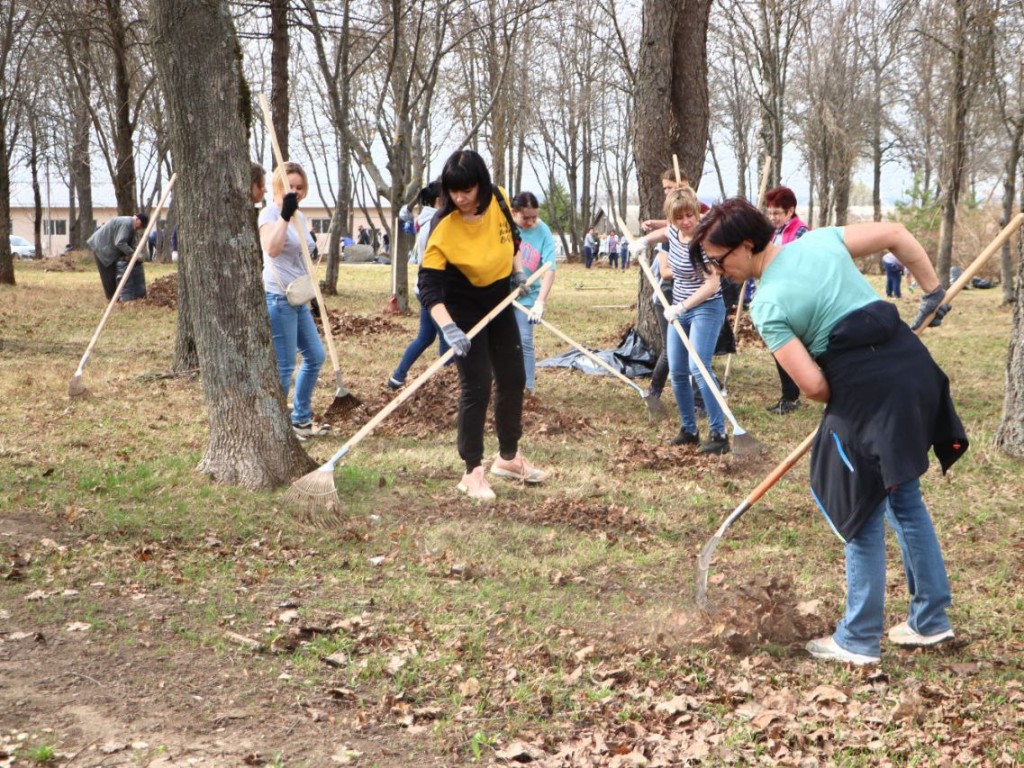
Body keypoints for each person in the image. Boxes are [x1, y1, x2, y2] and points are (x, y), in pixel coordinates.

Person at [692, 197, 967, 665]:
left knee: (857, 504)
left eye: (718, 261)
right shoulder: (819, 239)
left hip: (870, 393)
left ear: (744, 245)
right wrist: (932, 291)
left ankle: (858, 639)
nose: (718, 272)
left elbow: (815, 387)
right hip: (913, 371)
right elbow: (898, 233)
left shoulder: (769, 305)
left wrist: (855, 388)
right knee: (903, 498)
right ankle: (930, 620)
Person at [418, 149, 547, 501]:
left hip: (499, 300)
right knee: (477, 385)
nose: (460, 198)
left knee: (513, 377)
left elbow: (513, 240)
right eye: (453, 190)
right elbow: (428, 286)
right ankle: (471, 471)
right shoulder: (442, 226)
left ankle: (508, 458)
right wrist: (448, 327)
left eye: (468, 190)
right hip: (462, 306)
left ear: (482, 185)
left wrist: (517, 272)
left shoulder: (500, 200)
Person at [259, 161, 329, 442]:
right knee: (285, 365)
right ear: (278, 186)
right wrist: (285, 216)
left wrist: (312, 294)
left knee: (315, 356)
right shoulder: (269, 214)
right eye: (291, 187)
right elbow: (272, 249)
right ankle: (275, 426)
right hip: (278, 297)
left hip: (298, 296)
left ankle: (299, 418)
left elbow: (303, 255)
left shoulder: (299, 215)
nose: (297, 192)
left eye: (300, 187)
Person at [660, 186, 729, 454]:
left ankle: (719, 433)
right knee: (677, 371)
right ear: (672, 219)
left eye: (690, 215)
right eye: (680, 217)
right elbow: (662, 232)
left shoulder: (705, 240)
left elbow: (712, 285)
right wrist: (642, 243)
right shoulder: (673, 233)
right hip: (680, 308)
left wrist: (683, 306)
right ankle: (689, 429)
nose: (686, 221)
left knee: (699, 366)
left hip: (706, 308)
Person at [387, 181, 450, 390]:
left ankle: (397, 377)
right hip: (434, 290)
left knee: (426, 336)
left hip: (423, 288)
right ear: (440, 201)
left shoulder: (425, 220)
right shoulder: (437, 222)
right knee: (447, 339)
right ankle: (450, 382)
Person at [763, 185, 810, 415]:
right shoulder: (772, 232)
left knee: (798, 347)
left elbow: (799, 262)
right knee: (779, 345)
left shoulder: (801, 232)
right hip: (776, 295)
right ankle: (789, 396)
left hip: (796, 296)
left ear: (790, 210)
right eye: (769, 213)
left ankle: (798, 393)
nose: (772, 218)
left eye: (777, 213)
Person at [511, 191, 557, 395]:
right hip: (502, 294)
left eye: (534, 217)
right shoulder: (506, 228)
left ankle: (528, 389)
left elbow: (550, 267)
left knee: (525, 340)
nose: (530, 222)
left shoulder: (543, 230)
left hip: (528, 295)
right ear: (514, 213)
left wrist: (540, 302)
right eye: (525, 218)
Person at [87, 211, 148, 301]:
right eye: (141, 225)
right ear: (137, 219)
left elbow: (131, 243)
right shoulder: (127, 223)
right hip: (101, 248)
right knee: (108, 275)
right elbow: (120, 242)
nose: (140, 228)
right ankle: (112, 299)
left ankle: (116, 297)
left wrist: (137, 253)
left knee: (113, 273)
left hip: (106, 247)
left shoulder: (131, 226)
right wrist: (133, 254)